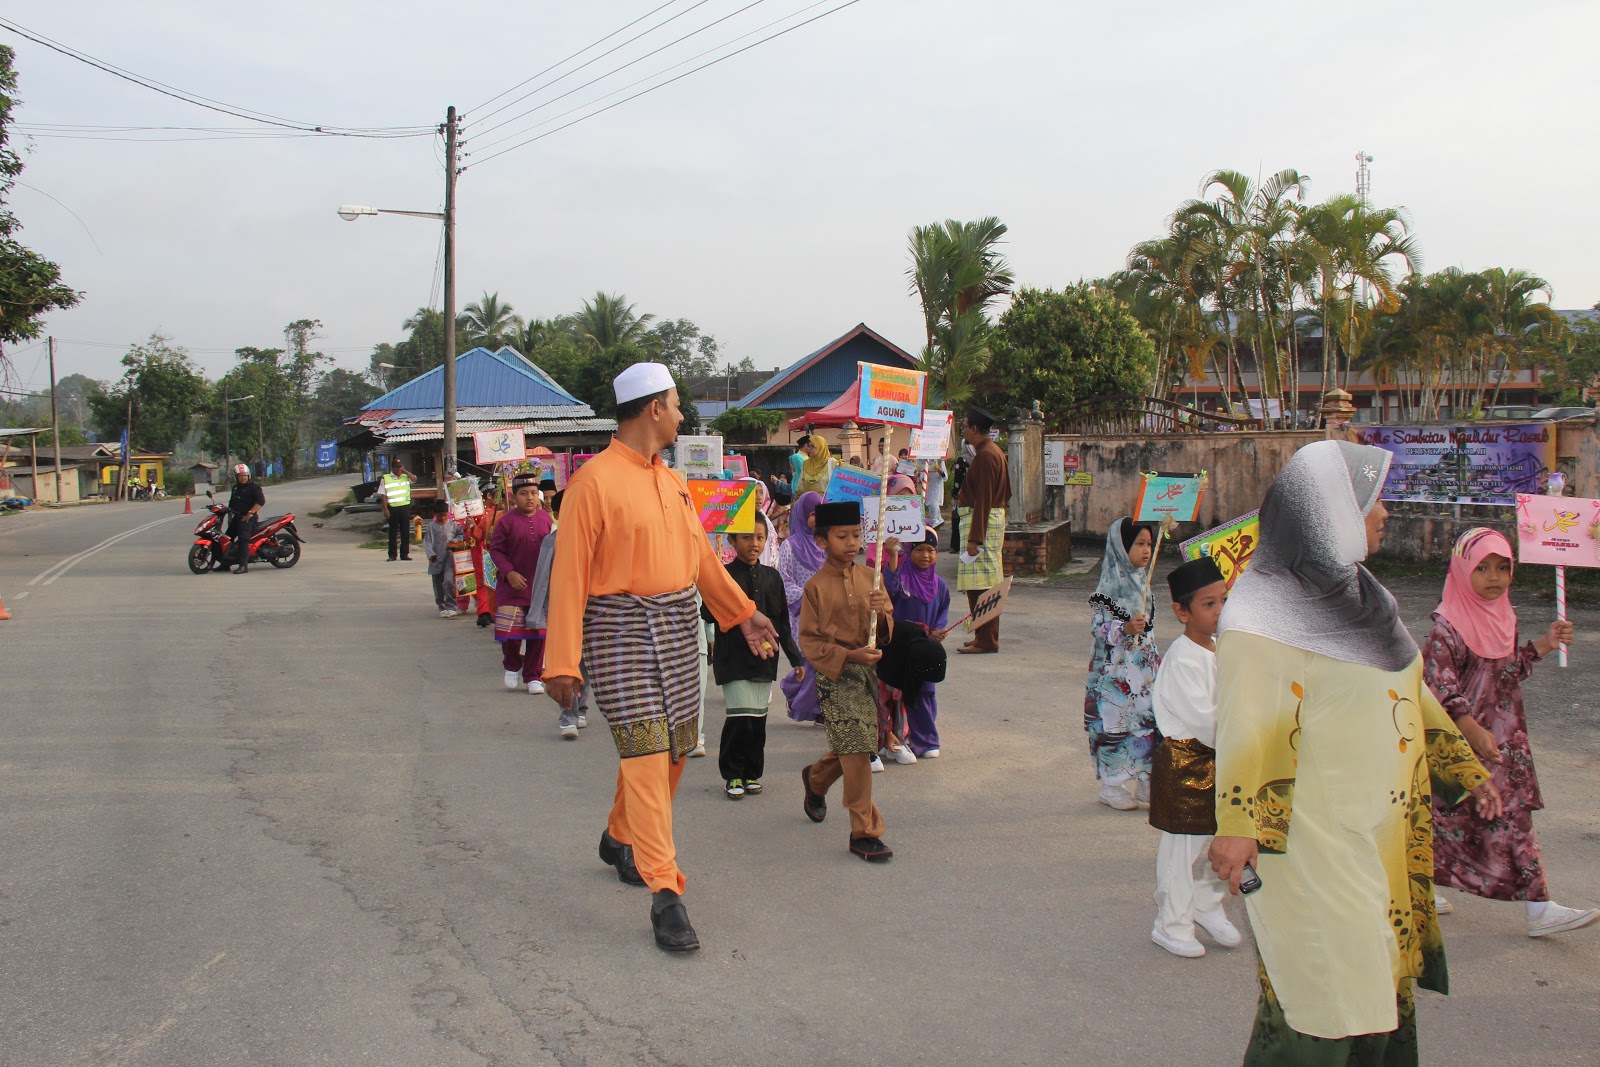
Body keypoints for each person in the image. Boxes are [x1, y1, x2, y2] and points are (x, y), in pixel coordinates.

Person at [1208, 440, 1500, 1063]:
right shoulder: (1263, 612)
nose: (1385, 514)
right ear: (1326, 513)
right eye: (1371, 501)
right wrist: (1236, 827)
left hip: (1379, 834)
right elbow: (1248, 722)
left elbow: (1408, 690)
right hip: (1315, 838)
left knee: (1377, 979)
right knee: (1324, 989)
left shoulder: (1364, 599)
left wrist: (1464, 769)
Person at [544, 362, 780, 953]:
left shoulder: (672, 482)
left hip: (677, 627)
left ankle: (618, 835)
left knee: (671, 752)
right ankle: (666, 894)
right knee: (647, 754)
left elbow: (701, 559)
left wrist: (743, 612)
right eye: (676, 403)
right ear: (653, 409)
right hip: (618, 631)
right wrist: (561, 663)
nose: (681, 414)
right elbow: (569, 576)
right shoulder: (591, 485)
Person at [1425, 528, 1594, 936]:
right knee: (1447, 816)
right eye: (1482, 567)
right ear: (1463, 569)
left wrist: (1544, 644)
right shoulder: (1445, 628)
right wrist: (1469, 728)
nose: (1494, 577)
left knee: (1512, 818)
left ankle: (1539, 908)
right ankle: (1422, 887)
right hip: (1462, 746)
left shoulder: (1504, 616)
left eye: (1503, 567)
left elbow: (1504, 674)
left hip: (1505, 744)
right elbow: (1437, 687)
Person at [1147, 556, 1238, 958]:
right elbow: (1207, 721)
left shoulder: (1220, 648)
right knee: (1181, 848)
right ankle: (1171, 923)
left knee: (1231, 837)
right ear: (1181, 612)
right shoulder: (1183, 658)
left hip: (1222, 760)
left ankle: (1206, 900)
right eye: (1209, 604)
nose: (1220, 611)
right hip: (1187, 763)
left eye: (1224, 600)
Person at [798, 500, 896, 862]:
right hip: (835, 675)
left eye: (856, 535)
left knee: (854, 742)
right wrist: (847, 656)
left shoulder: (872, 577)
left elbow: (885, 633)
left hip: (867, 673)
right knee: (856, 750)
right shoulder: (815, 587)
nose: (852, 542)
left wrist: (882, 610)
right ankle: (864, 831)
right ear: (822, 541)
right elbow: (810, 641)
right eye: (842, 536)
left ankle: (816, 779)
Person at [707, 511, 804, 799]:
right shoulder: (722, 575)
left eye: (760, 537)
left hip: (765, 656)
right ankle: (733, 775)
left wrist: (796, 659)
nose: (754, 543)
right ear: (733, 540)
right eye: (747, 537)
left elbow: (782, 622)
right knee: (739, 718)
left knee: (757, 720)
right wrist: (713, 588)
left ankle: (752, 773)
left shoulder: (772, 577)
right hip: (732, 657)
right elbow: (706, 613)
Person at [1085, 517, 1160, 809]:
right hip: (1114, 672)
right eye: (1139, 544)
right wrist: (1124, 630)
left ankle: (1146, 781)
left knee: (1146, 722)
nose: (1146, 550)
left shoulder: (1143, 582)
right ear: (1121, 545)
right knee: (1115, 726)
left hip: (1143, 671)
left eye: (1149, 544)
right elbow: (1098, 627)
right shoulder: (1109, 587)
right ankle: (1112, 786)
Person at [881, 530, 951, 758]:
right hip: (901, 645)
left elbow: (942, 612)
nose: (925, 555)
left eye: (931, 550)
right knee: (899, 693)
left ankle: (927, 741)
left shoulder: (940, 585)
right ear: (909, 551)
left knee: (925, 691)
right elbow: (887, 592)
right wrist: (892, 557)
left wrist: (938, 631)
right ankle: (896, 736)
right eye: (919, 549)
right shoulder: (901, 578)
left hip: (925, 648)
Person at [528, 489, 589, 739]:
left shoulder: (592, 539)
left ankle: (581, 707)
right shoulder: (551, 542)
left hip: (589, 612)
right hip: (562, 612)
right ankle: (568, 716)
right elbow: (541, 579)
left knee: (584, 665)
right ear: (557, 514)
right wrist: (538, 613)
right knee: (565, 665)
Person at [490, 470, 555, 696]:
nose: (530, 497)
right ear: (514, 496)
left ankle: (533, 676)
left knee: (538, 633)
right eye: (524, 493)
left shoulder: (547, 520)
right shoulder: (505, 522)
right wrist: (509, 572)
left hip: (540, 588)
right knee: (511, 632)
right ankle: (511, 664)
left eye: (533, 493)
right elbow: (496, 550)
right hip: (512, 587)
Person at [955, 408, 1011, 654]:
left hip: (982, 522)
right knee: (980, 582)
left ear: (974, 429)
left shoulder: (987, 454)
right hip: (987, 519)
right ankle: (981, 634)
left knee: (983, 585)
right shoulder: (990, 451)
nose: (964, 431)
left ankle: (987, 639)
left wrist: (975, 537)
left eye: (965, 426)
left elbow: (985, 498)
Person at [458, 485, 501, 626]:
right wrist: (471, 526)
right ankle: (484, 612)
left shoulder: (509, 515)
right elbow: (477, 535)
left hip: (501, 554)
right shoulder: (485, 516)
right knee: (484, 581)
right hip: (482, 551)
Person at [423, 500, 464, 619]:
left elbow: (460, 534)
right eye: (440, 516)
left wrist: (455, 542)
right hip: (436, 559)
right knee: (438, 585)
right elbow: (427, 542)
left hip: (449, 559)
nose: (443, 518)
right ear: (435, 515)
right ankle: (441, 606)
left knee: (449, 582)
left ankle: (451, 606)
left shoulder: (453, 525)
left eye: (445, 515)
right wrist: (431, 555)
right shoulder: (431, 527)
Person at [223, 462, 264, 574]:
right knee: (226, 538)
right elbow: (232, 503)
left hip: (248, 518)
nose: (243, 478)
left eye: (245, 475)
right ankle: (225, 564)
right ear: (236, 477)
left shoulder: (254, 488)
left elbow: (260, 502)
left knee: (243, 540)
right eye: (241, 476)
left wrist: (250, 513)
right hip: (237, 518)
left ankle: (243, 566)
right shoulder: (235, 488)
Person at [378, 463, 415, 562]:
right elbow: (383, 495)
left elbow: (414, 479)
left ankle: (404, 554)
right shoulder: (386, 478)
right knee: (393, 532)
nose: (399, 469)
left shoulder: (405, 476)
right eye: (397, 467)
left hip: (405, 507)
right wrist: (385, 509)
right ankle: (392, 555)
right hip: (393, 508)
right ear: (392, 468)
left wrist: (405, 471)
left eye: (400, 467)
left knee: (405, 532)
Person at [794, 434, 833, 498]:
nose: (809, 449)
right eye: (808, 446)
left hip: (826, 506)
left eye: (812, 446)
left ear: (820, 447)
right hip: (808, 505)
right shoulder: (806, 464)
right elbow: (800, 487)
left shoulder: (832, 464)